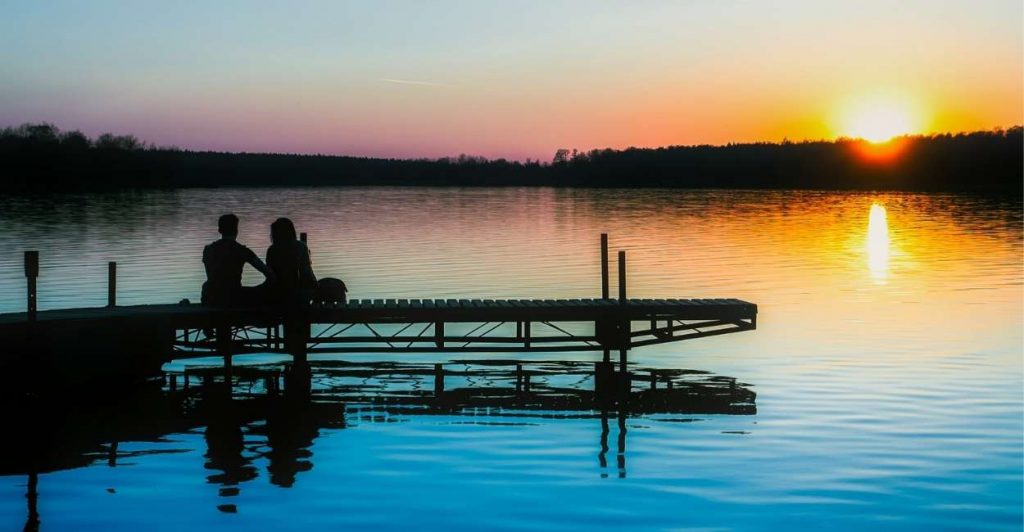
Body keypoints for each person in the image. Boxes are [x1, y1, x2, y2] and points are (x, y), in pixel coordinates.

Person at [202, 213, 275, 307]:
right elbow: (268, 273)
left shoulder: (208, 250)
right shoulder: (242, 250)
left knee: (207, 285)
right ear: (236, 230)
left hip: (211, 297)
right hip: (233, 297)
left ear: (219, 230)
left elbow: (212, 276)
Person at [265, 217, 317, 307]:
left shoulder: (272, 249)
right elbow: (307, 272)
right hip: (299, 294)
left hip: (277, 292)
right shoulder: (301, 247)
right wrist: (316, 285)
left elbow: (270, 274)